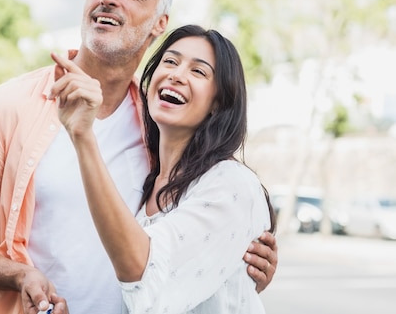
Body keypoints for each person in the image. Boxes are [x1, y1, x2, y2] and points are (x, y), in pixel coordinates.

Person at [0, 0, 278, 314]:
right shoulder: (3, 107)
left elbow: (195, 238)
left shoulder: (161, 123)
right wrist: (19, 275)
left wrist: (239, 262)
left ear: (160, 24)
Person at [51, 24, 277, 314]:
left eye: (198, 71)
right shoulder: (146, 182)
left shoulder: (231, 184)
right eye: (170, 61)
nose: (176, 74)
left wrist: (83, 136)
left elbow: (144, 274)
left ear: (218, 102)